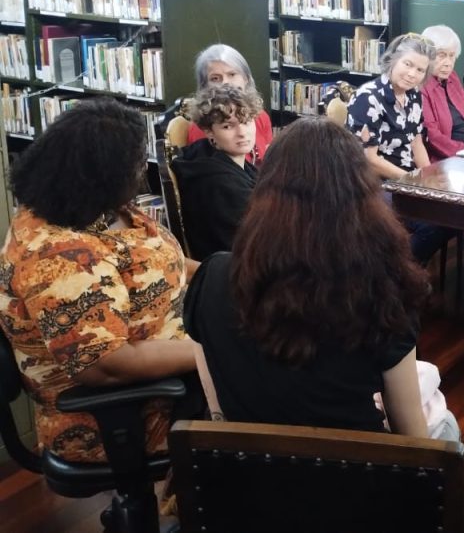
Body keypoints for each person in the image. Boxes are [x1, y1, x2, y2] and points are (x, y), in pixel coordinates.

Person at [184, 119, 458, 440]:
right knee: (444, 423)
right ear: (362, 197)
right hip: (358, 478)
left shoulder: (211, 277)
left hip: (253, 478)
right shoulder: (382, 287)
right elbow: (412, 441)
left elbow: (221, 417)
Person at [0, 99, 197, 463]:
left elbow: (155, 262)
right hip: (122, 416)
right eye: (136, 162)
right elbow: (106, 364)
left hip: (174, 374)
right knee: (272, 394)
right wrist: (208, 353)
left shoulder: (99, 207)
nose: (142, 170)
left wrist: (231, 274)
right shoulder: (55, 256)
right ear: (100, 173)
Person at [173, 85, 261, 260]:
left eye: (246, 121)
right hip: (236, 271)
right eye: (228, 126)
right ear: (208, 131)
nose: (242, 133)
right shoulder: (219, 183)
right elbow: (257, 242)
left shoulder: (206, 156)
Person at [347, 33, 437, 180]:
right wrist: (412, 181)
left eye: (420, 70)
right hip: (374, 181)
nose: (412, 74)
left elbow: (416, 144)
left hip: (407, 176)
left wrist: (428, 178)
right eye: (407, 64)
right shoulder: (368, 97)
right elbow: (369, 159)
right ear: (393, 60)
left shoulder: (414, 94)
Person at [186, 44, 273, 165]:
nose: (225, 83)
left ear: (246, 78)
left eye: (232, 74)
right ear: (204, 86)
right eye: (215, 78)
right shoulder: (205, 125)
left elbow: (270, 162)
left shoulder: (261, 116)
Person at [419, 24, 464, 160]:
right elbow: (432, 135)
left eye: (452, 56)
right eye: (442, 55)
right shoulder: (421, 85)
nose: (448, 63)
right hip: (451, 158)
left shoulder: (452, 77)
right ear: (427, 55)